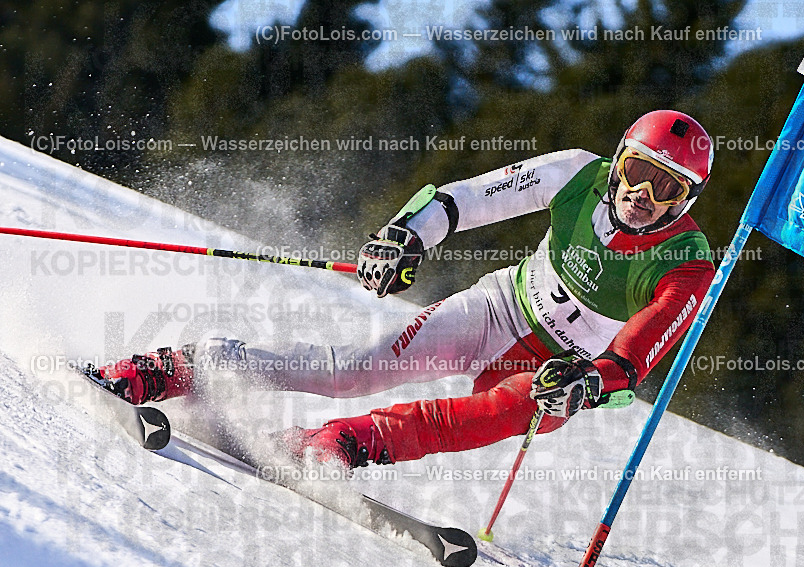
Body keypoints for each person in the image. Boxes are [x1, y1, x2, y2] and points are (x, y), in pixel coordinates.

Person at [97, 110, 717, 468]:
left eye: (670, 190)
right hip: (498, 309)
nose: (645, 196)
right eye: (638, 172)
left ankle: (337, 443)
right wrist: (406, 236)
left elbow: (637, 353)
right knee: (354, 371)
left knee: (497, 414)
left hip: (561, 369)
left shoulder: (687, 262)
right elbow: (468, 198)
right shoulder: (576, 174)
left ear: (688, 200)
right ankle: (181, 366)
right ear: (618, 161)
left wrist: (591, 382)